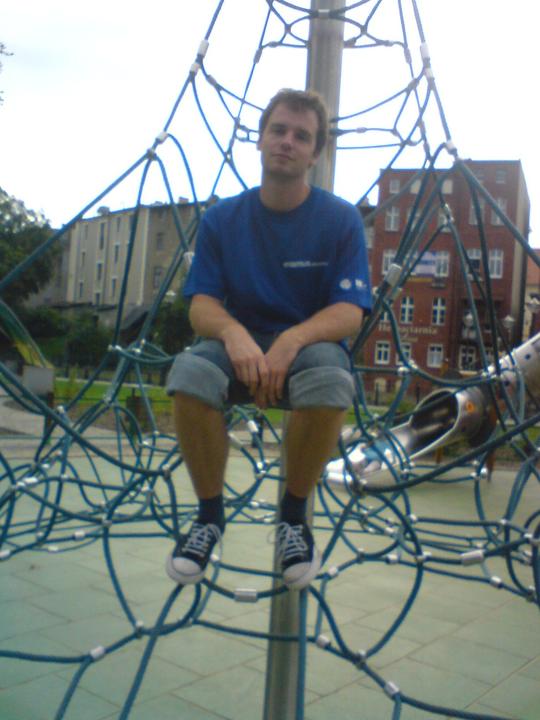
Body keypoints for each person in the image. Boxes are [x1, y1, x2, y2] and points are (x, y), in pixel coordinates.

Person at [165, 88, 372, 590]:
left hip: (306, 349)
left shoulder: (340, 219)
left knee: (332, 378)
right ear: (259, 139)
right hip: (241, 350)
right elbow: (201, 305)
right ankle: (209, 516)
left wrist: (292, 340)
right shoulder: (222, 219)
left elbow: (349, 312)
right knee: (189, 373)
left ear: (316, 153)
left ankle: (293, 518)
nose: (287, 142)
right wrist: (233, 332)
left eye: (302, 136)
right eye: (278, 130)